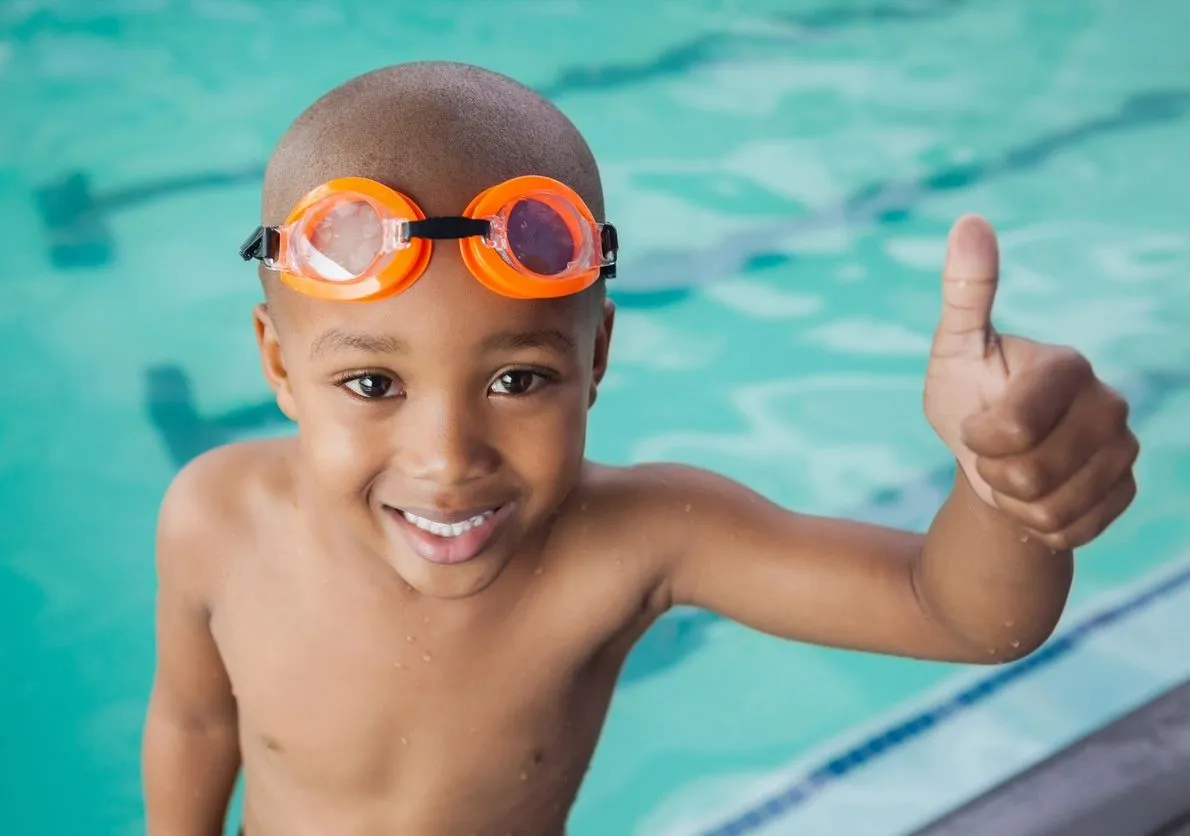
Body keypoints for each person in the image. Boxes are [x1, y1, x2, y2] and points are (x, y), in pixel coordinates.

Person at [140, 61, 1139, 836]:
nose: (447, 458)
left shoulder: (638, 540)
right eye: (372, 384)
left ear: (599, 353)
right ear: (276, 362)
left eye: (518, 379)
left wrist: (1005, 489)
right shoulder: (214, 518)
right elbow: (195, 722)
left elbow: (958, 614)